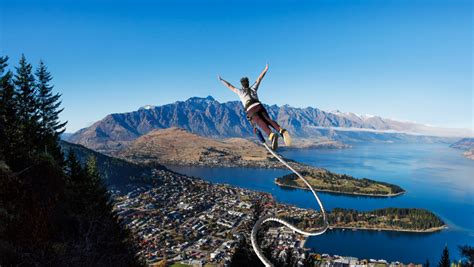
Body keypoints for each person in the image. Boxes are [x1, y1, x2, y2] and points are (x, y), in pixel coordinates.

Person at [218, 64, 291, 150]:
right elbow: (259, 78)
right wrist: (265, 69)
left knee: (260, 122)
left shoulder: (240, 92)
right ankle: (280, 130)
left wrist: (221, 80)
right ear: (248, 83)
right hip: (259, 106)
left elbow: (230, 86)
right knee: (268, 120)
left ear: (242, 85)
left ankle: (271, 135)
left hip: (251, 110)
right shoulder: (253, 88)